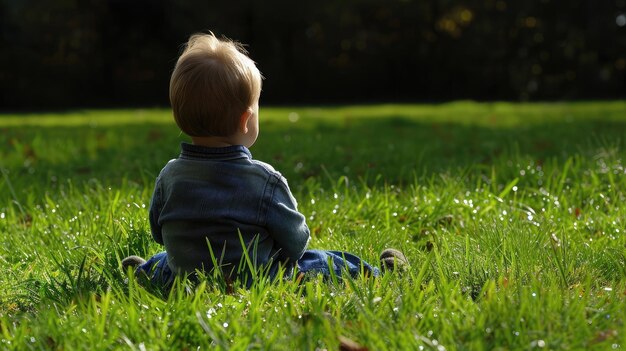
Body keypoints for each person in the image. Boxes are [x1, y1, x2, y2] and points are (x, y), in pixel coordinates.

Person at [122, 32, 408, 289]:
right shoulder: (263, 180)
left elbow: (159, 233)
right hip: (254, 279)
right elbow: (296, 242)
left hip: (186, 279)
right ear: (246, 120)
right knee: (323, 261)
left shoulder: (170, 176)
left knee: (165, 259)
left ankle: (145, 272)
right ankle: (377, 274)